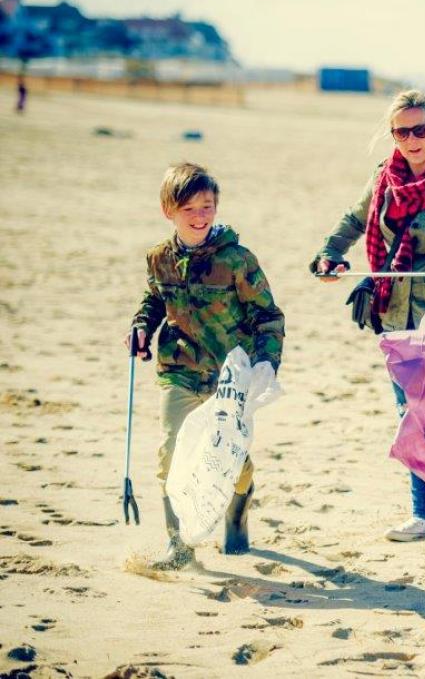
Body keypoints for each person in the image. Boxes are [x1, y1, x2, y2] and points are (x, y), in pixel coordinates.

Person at [311, 90, 425, 542]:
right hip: (393, 313)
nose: (412, 140)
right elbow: (353, 222)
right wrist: (329, 255)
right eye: (402, 131)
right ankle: (423, 515)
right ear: (392, 135)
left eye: (421, 129)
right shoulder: (383, 181)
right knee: (407, 414)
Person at [127, 162, 285, 568]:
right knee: (171, 453)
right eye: (190, 209)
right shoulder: (159, 258)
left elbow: (268, 317)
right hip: (179, 370)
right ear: (169, 211)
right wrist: (141, 328)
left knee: (230, 457)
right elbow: (154, 300)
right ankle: (178, 546)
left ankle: (239, 505)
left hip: (230, 375)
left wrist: (267, 363)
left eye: (208, 207)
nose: (200, 217)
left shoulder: (237, 260)